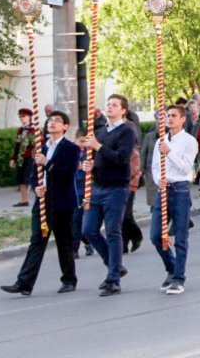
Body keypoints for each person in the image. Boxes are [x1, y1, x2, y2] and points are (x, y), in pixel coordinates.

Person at [1, 111, 80, 296]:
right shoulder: (42, 147)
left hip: (62, 202)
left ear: (65, 126)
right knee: (37, 240)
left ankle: (69, 279)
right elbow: (34, 175)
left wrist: (48, 163)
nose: (52, 123)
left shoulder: (71, 149)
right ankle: (24, 283)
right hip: (43, 201)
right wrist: (36, 187)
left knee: (64, 241)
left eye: (57, 121)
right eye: (50, 120)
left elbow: (67, 175)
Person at [78, 94, 138, 296]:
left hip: (116, 188)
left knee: (113, 232)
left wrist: (98, 147)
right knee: (88, 230)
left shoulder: (127, 130)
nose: (110, 107)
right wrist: (89, 166)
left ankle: (113, 280)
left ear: (123, 110)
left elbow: (121, 158)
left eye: (114, 105)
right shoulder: (100, 132)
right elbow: (97, 158)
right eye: (108, 104)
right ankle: (115, 266)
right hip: (97, 187)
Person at [149, 104, 196, 294]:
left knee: (180, 237)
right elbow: (154, 166)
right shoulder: (160, 141)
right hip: (164, 190)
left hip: (180, 190)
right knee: (156, 235)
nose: (170, 118)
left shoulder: (189, 141)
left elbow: (185, 168)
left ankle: (178, 278)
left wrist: (169, 152)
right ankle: (172, 267)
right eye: (168, 115)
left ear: (183, 119)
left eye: (174, 115)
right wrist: (158, 180)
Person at [10, 108, 37, 208]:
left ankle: (39, 199)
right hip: (21, 158)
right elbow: (17, 145)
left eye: (24, 116)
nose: (22, 118)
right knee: (21, 178)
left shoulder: (34, 129)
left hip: (31, 158)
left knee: (29, 178)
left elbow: (40, 143)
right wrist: (13, 158)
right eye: (20, 117)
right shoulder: (21, 130)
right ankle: (24, 200)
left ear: (29, 117)